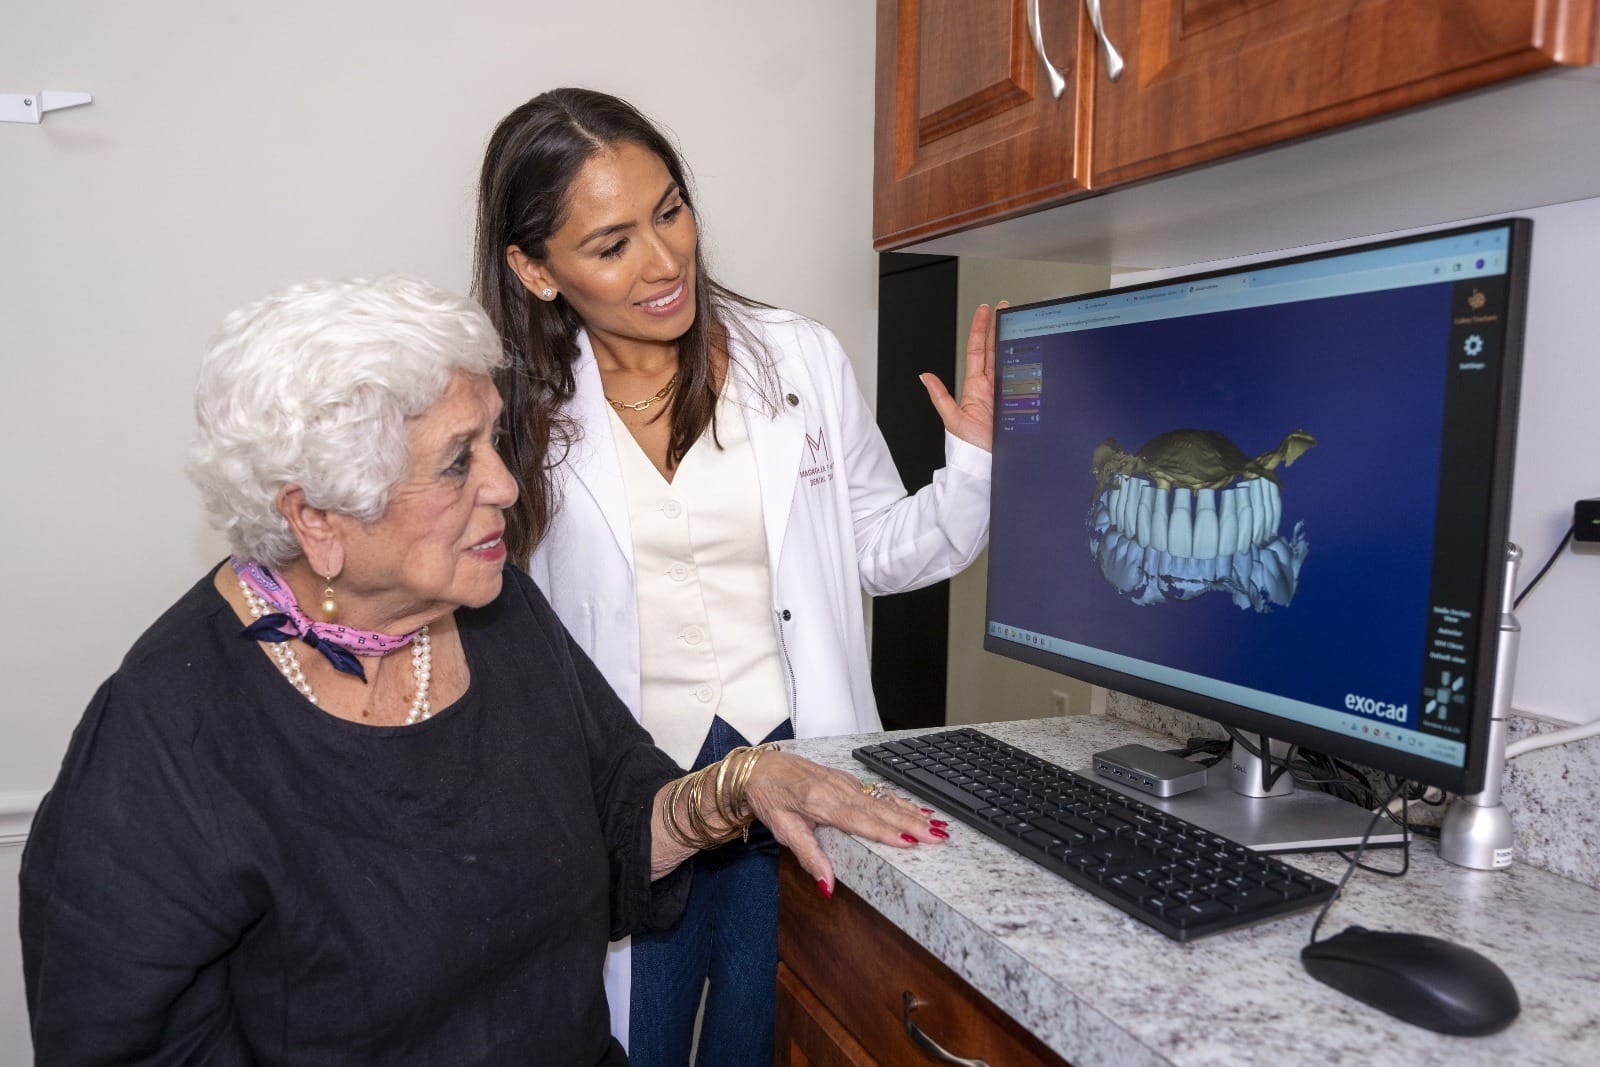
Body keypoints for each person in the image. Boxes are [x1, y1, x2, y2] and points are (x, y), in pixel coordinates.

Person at [18, 276, 943, 1065]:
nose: (502, 483)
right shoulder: (166, 737)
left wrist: (744, 781)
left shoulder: (496, 616)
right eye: (456, 464)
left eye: (492, 441)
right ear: (318, 521)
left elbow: (621, 825)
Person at [473, 88, 994, 1065]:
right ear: (535, 269)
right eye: (612, 242)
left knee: (779, 1040)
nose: (665, 261)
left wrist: (975, 469)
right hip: (631, 815)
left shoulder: (793, 357)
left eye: (670, 210)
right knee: (634, 1043)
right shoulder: (510, 412)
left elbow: (877, 545)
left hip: (797, 788)